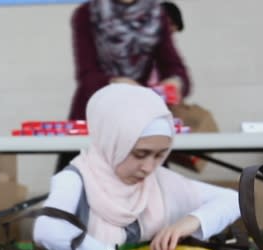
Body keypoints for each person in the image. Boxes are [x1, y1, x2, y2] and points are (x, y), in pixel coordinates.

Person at [34, 83, 239, 250]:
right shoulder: (76, 179)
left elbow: (235, 200)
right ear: (113, 141)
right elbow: (48, 228)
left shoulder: (159, 181)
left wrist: (188, 223)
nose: (149, 167)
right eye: (140, 154)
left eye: (160, 155)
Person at [58, 0, 192, 171]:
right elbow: (86, 74)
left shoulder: (156, 15)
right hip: (96, 116)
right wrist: (115, 83)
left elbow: (174, 67)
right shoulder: (87, 15)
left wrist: (175, 82)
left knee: (150, 188)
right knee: (83, 186)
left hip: (142, 119)